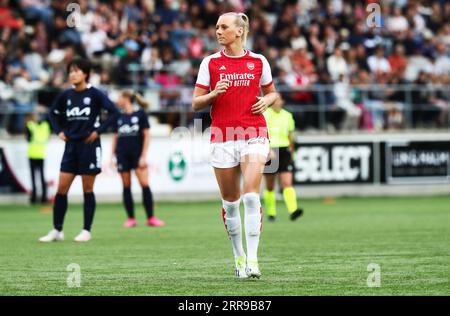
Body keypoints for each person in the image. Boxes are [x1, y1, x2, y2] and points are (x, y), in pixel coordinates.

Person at [192, 12, 279, 279]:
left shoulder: (258, 61)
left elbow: (272, 92)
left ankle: (253, 260)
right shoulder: (210, 63)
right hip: (223, 136)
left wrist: (269, 100)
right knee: (231, 204)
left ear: (239, 31)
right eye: (217, 27)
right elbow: (195, 102)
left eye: (223, 27)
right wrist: (214, 94)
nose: (218, 31)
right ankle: (238, 257)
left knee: (252, 196)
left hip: (254, 132)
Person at [39, 57, 120, 243]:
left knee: (87, 189)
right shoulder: (66, 95)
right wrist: (58, 130)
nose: (72, 74)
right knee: (61, 189)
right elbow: (51, 113)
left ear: (85, 73)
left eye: (76, 70)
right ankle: (57, 230)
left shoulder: (95, 94)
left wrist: (97, 131)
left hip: (89, 147)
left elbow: (114, 112)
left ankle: (86, 230)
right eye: (70, 71)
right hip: (71, 147)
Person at [111, 90, 165, 228]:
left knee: (144, 184)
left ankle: (151, 218)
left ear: (126, 98)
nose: (117, 101)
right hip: (122, 155)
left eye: (119, 97)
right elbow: (115, 137)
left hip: (137, 155)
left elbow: (147, 136)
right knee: (126, 186)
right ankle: (131, 219)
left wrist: (143, 156)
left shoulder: (140, 114)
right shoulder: (118, 116)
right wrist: (111, 156)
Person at [263, 98, 304, 222]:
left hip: (284, 150)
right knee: (270, 186)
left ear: (282, 102)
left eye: (279, 101)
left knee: (287, 182)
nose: (277, 103)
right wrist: (267, 149)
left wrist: (292, 152)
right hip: (270, 151)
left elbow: (290, 135)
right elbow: (262, 133)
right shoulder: (265, 114)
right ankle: (271, 213)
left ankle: (293, 210)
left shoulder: (287, 116)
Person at [25, 110, 51, 204]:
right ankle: (44, 197)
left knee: (33, 177)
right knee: (42, 177)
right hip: (41, 154)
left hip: (32, 154)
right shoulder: (45, 126)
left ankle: (34, 198)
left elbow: (28, 138)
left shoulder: (30, 125)